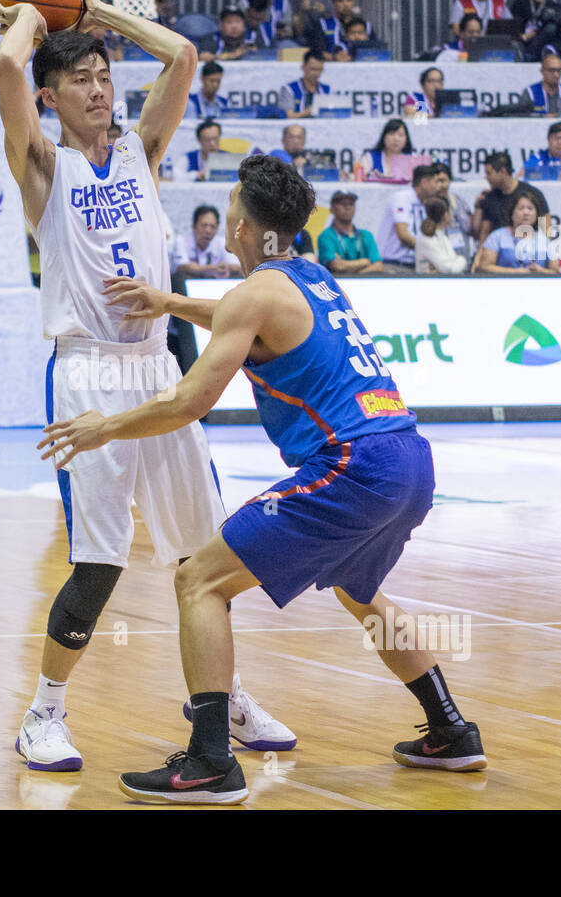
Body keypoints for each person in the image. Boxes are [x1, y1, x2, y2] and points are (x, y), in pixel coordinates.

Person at [38, 155, 485, 804]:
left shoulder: (255, 295)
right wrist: (166, 301)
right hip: (409, 459)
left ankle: (210, 760)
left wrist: (102, 427)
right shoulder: (312, 276)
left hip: (352, 465)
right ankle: (450, 729)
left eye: (231, 209)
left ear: (243, 225)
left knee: (199, 581)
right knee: (361, 593)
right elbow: (238, 317)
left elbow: (188, 401)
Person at [0, 0, 293, 771]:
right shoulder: (42, 165)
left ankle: (218, 706)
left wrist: (97, 13)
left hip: (159, 366)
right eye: (82, 79)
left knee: (208, 554)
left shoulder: (138, 151)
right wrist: (29, 15)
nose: (99, 88)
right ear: (51, 97)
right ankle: (42, 715)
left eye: (104, 74)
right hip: (88, 370)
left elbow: (185, 56)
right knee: (100, 559)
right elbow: (4, 64)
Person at [473, 191, 561, 275]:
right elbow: (483, 267)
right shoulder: (497, 236)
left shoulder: (544, 240)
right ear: (512, 214)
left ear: (536, 215)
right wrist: (514, 272)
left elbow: (556, 271)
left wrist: (540, 271)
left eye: (530, 209)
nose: (526, 213)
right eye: (521, 208)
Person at [473, 151, 550, 246]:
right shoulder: (490, 197)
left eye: (489, 173)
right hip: (498, 254)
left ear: (502, 172)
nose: (486, 178)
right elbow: (484, 234)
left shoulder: (533, 194)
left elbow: (546, 231)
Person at [375, 164, 437, 273]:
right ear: (424, 182)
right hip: (393, 265)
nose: (437, 187)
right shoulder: (402, 198)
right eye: (435, 182)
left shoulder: (425, 203)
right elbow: (403, 235)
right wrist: (432, 252)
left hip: (414, 265)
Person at [318, 190, 380, 275]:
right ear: (332, 209)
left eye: (351, 204)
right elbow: (336, 266)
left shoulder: (366, 235)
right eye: (342, 204)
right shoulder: (325, 236)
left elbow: (378, 266)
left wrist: (350, 270)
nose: (347, 207)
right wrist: (365, 262)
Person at [171, 205, 234, 279]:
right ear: (194, 226)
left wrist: (227, 267)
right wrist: (212, 269)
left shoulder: (222, 243)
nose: (208, 231)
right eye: (204, 225)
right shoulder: (181, 241)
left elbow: (237, 267)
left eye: (212, 226)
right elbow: (182, 267)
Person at [415, 197, 469, 274]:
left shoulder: (443, 237)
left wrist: (456, 262)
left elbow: (451, 267)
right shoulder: (427, 240)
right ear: (446, 215)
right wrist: (462, 259)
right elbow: (449, 269)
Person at [279, 50, 331, 118]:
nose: (316, 73)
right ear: (303, 67)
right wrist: (305, 113)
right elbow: (286, 115)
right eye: (313, 69)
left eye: (319, 70)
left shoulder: (327, 90)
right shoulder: (289, 89)